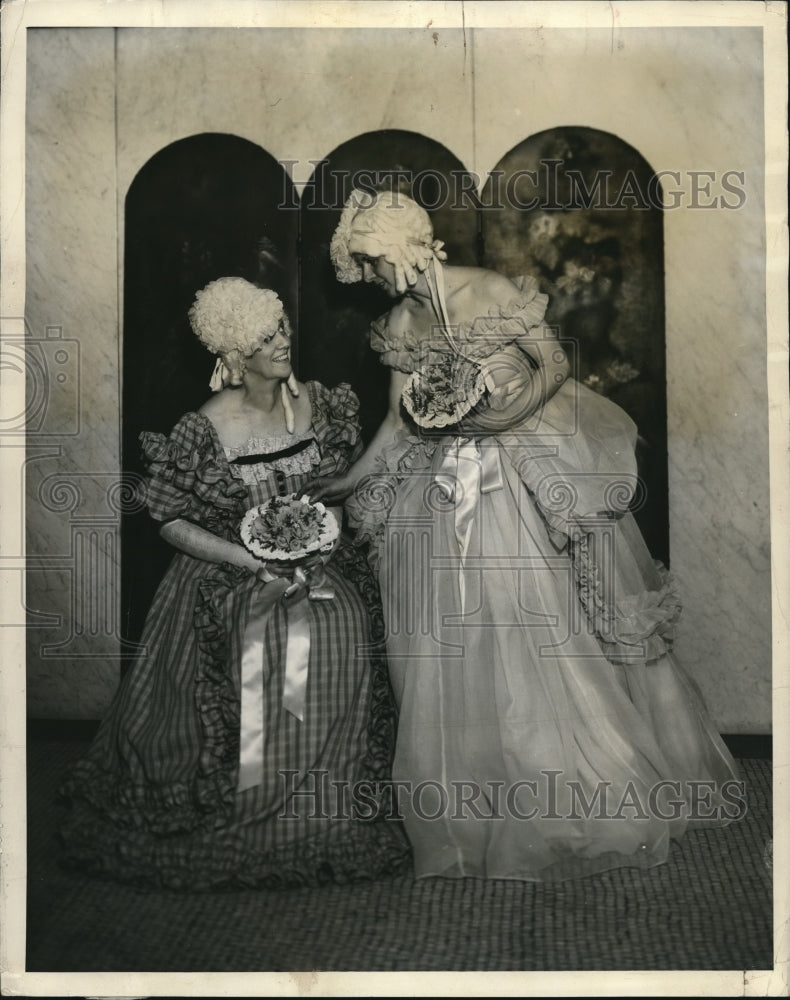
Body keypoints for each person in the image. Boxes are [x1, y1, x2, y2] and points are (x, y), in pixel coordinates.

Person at [313, 187, 742, 882]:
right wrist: (351, 480)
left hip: (515, 475)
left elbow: (556, 364)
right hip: (438, 487)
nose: (373, 277)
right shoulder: (398, 321)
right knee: (440, 638)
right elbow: (398, 423)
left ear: (406, 245)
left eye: (375, 261)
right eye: (363, 265)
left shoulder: (488, 290)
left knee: (524, 623)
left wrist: (504, 418)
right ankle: (469, 806)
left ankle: (559, 784)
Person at [60, 276, 409, 889]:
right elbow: (168, 520)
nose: (284, 340)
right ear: (234, 354)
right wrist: (250, 561)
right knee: (263, 634)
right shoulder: (206, 426)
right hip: (230, 565)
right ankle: (255, 795)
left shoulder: (319, 405)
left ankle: (323, 797)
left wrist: (316, 532)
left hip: (312, 554)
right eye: (266, 336)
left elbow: (331, 492)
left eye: (282, 327)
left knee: (345, 618)